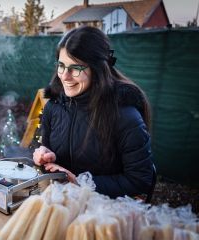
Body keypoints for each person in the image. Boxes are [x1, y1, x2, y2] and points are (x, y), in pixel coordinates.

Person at [33, 26, 155, 200]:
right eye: (61, 65)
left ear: (97, 70)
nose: (65, 76)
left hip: (103, 212)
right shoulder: (54, 106)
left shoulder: (125, 117)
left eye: (75, 68)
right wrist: (44, 156)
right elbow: (48, 154)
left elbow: (140, 181)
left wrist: (79, 183)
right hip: (60, 201)